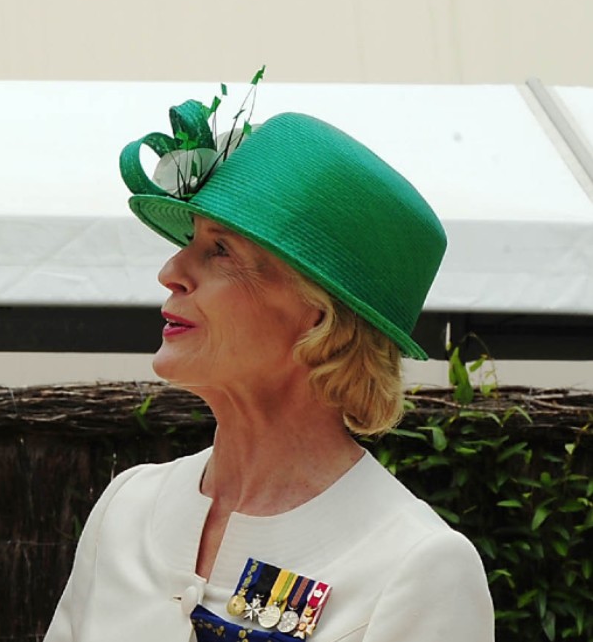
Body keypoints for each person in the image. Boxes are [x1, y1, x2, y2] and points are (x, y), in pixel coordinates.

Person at [44, 99, 494, 641]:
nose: (171, 272)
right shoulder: (126, 508)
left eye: (220, 250)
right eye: (191, 242)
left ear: (319, 313)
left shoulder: (417, 566)